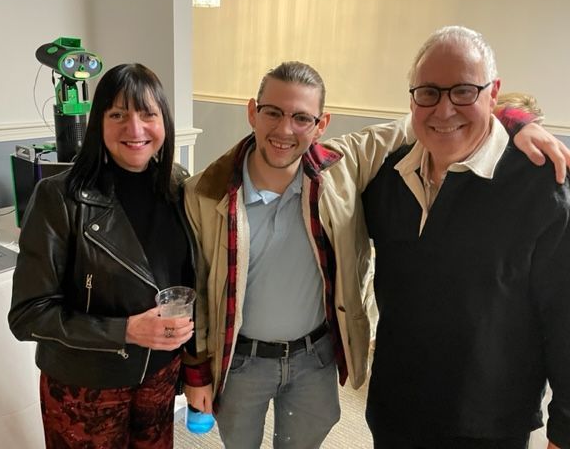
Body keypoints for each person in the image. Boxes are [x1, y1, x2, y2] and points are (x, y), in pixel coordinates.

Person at [181, 60, 570, 449]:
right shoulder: (207, 192)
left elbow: (432, 117)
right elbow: (194, 285)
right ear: (253, 111)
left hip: (313, 360)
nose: (285, 129)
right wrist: (196, 371)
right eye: (273, 113)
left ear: (322, 124)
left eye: (302, 117)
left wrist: (514, 118)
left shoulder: (341, 166)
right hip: (242, 361)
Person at [362, 26, 570, 449]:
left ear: (493, 93)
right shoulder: (390, 175)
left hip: (487, 422)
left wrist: (564, 428)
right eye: (428, 93)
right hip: (394, 411)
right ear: (412, 98)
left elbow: (565, 316)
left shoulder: (540, 187)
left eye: (463, 91)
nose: (443, 110)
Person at [8, 63, 196, 448]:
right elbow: (28, 315)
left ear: (165, 122)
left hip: (159, 378)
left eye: (148, 114)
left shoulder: (180, 187)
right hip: (87, 386)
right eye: (118, 115)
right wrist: (123, 330)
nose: (136, 129)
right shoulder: (58, 198)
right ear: (98, 124)